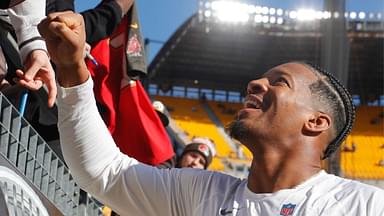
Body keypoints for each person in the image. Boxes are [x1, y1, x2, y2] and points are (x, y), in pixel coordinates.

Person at [37, 11, 384, 215]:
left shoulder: (361, 205)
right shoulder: (203, 193)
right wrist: (72, 71)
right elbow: (105, 174)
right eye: (261, 78)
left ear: (316, 122)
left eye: (279, 82)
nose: (254, 84)